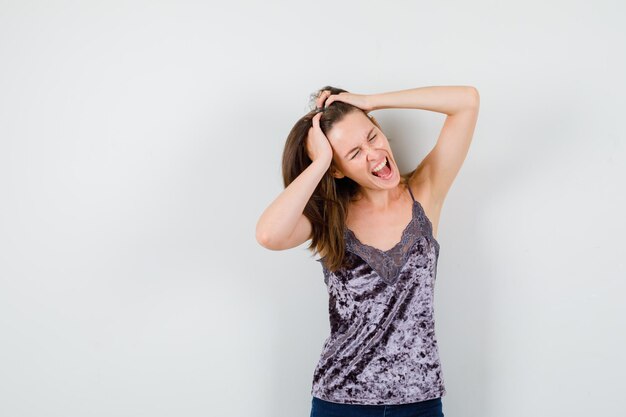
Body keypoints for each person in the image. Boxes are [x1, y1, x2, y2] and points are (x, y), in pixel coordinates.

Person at [256, 85, 480, 417]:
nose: (373, 155)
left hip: (420, 403)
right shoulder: (330, 216)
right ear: (337, 168)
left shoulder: (425, 192)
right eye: (354, 154)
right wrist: (320, 164)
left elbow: (467, 102)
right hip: (340, 402)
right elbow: (268, 235)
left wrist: (369, 102)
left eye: (372, 137)